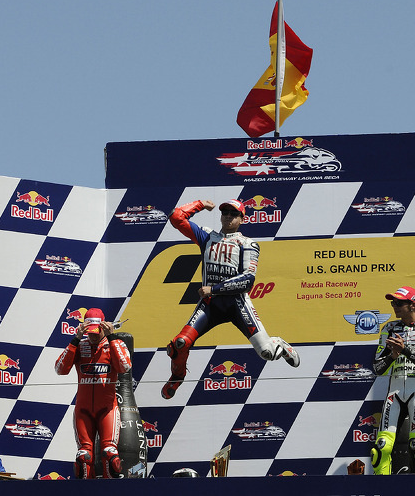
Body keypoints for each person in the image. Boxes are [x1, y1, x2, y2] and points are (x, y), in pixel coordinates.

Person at [161, 199, 299, 400]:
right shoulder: (207, 237)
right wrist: (200, 204)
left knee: (267, 353)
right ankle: (177, 376)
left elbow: (247, 281)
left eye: (233, 214)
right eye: (225, 212)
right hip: (210, 306)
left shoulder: (248, 244)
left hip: (237, 304)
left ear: (242, 219)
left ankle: (279, 344)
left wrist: (214, 289)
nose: (227, 216)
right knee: (179, 343)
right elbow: (176, 217)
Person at [371, 286, 415, 475]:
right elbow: (377, 368)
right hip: (394, 391)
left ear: (412, 304)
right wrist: (392, 356)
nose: (395, 306)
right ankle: (382, 491)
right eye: (393, 302)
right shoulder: (389, 328)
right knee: (381, 447)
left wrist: (406, 350)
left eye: (399, 302)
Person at [55, 308, 132, 478]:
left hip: (108, 409)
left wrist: (112, 338)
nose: (93, 335)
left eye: (97, 331)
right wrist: (75, 340)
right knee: (84, 457)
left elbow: (124, 367)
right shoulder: (80, 345)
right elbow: (60, 369)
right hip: (83, 410)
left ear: (104, 327)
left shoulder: (115, 344)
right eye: (89, 332)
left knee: (110, 454)